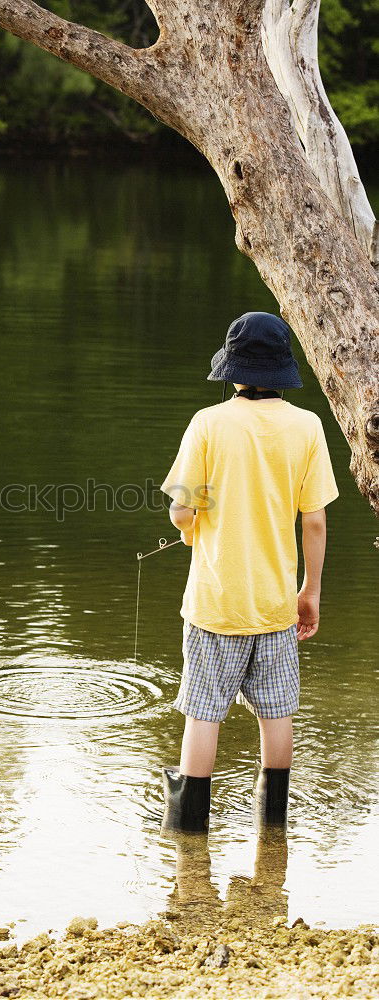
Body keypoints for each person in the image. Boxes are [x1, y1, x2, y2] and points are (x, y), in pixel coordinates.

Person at [159, 312, 338, 833]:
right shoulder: (306, 426)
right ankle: (272, 823)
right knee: (277, 711)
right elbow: (317, 520)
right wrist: (310, 592)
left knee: (203, 713)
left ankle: (189, 829)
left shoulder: (208, 424)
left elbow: (181, 511)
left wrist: (195, 533)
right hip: (277, 603)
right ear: (282, 370)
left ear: (233, 372)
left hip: (215, 602)